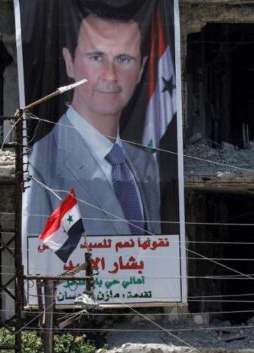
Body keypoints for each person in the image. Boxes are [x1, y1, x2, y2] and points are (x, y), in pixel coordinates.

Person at [26, 5, 162, 238]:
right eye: (96, 57)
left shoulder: (145, 164)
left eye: (123, 58)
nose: (110, 74)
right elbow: (40, 261)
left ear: (141, 69)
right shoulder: (42, 160)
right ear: (70, 62)